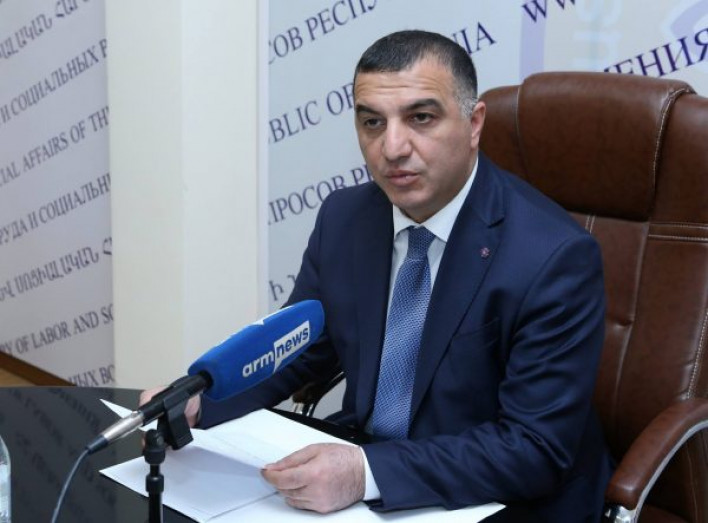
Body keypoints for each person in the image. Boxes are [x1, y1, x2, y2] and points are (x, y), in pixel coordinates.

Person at [142, 30, 613, 521]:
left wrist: (365, 473)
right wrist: (202, 398)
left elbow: (534, 448)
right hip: (369, 474)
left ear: (474, 124)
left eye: (421, 118)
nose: (392, 147)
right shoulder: (345, 217)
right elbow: (300, 347)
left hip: (501, 499)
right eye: (372, 122)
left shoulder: (554, 256)